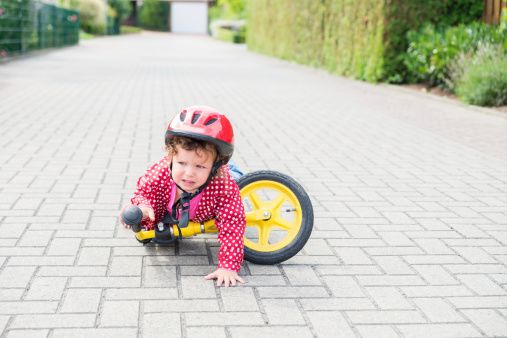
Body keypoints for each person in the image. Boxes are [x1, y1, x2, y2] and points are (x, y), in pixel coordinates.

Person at [121, 106, 246, 287]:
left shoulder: (222, 184)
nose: (189, 173)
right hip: (180, 208)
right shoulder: (161, 173)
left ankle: (233, 169)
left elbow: (232, 224)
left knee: (237, 181)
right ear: (170, 157)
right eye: (182, 163)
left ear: (215, 167)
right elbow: (145, 193)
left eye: (200, 166)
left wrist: (228, 265)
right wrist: (142, 208)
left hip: (224, 182)